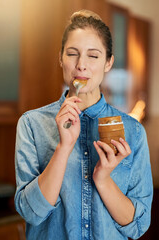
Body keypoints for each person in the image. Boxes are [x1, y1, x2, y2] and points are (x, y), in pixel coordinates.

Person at [14, 9, 153, 240]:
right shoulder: (31, 124)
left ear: (108, 63)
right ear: (60, 58)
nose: (81, 65)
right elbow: (31, 213)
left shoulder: (133, 131)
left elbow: (138, 226)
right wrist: (63, 148)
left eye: (93, 55)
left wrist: (103, 178)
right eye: (72, 54)